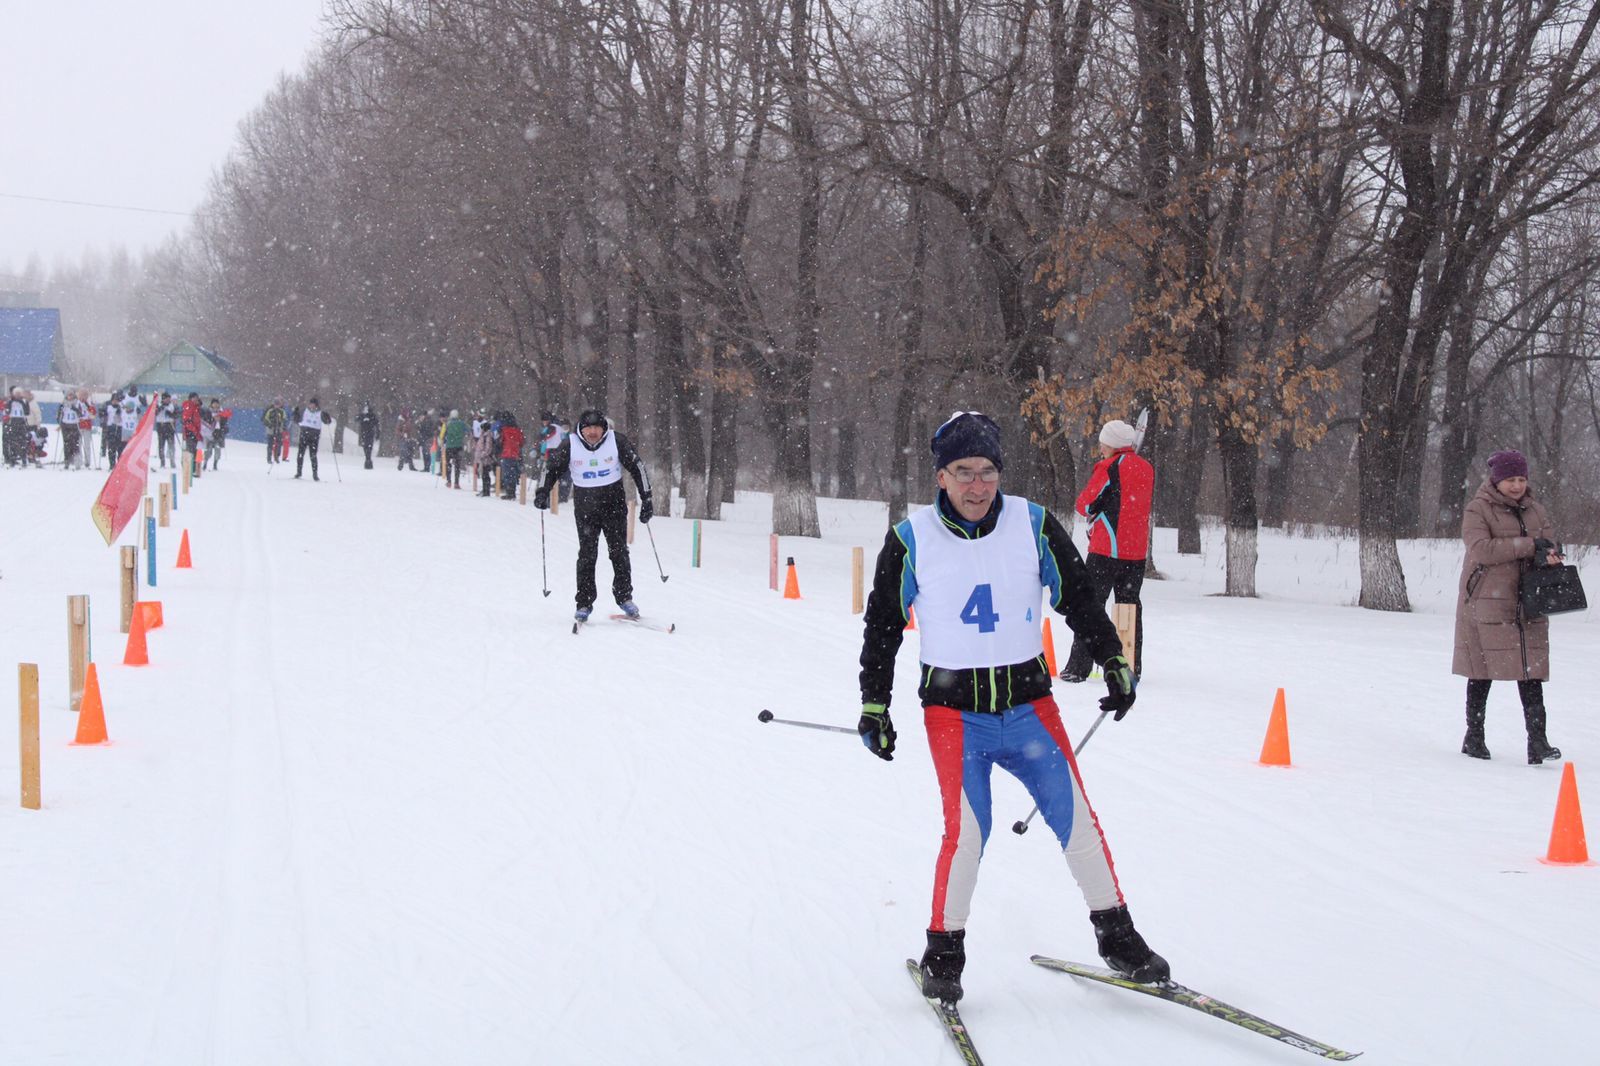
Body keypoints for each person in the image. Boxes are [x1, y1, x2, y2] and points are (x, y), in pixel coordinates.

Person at [856, 411, 1162, 1005]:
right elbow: (883, 627)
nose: (977, 486)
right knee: (968, 833)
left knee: (1078, 824)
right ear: (940, 476)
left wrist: (1113, 659)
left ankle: (1117, 938)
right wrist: (874, 704)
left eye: (988, 472)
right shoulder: (910, 538)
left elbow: (1078, 596)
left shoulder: (1034, 524)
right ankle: (944, 951)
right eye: (964, 472)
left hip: (1029, 708)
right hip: (954, 714)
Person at [1452, 449, 1564, 764]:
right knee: (1482, 669)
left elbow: (1548, 542)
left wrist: (1550, 555)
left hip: (1529, 600)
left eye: (1521, 479)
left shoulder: (1536, 510)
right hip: (1488, 600)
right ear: (1497, 480)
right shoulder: (1478, 510)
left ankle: (1538, 741)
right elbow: (1481, 549)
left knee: (1531, 670)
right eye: (1510, 479)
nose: (1516, 485)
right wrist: (1529, 546)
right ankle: (1474, 736)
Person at [535, 409, 654, 622]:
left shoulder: (616, 441)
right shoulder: (570, 444)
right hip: (586, 508)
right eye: (588, 428)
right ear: (581, 429)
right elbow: (551, 468)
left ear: (603, 428)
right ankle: (584, 603)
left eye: (596, 428)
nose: (592, 432)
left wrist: (647, 498)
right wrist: (542, 492)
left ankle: (624, 597)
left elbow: (638, 467)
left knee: (619, 552)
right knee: (587, 555)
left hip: (614, 506)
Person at [1061, 418, 1154, 683]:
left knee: (1090, 606)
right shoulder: (1147, 468)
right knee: (1129, 608)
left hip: (1105, 550)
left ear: (1112, 444)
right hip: (1135, 553)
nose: (1100, 447)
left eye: (1102, 443)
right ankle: (1129, 665)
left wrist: (1096, 507)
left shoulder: (1109, 467)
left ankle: (1079, 667)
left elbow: (1085, 504)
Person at [293, 397, 331, 480]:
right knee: (300, 454)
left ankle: (315, 474)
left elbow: (327, 422)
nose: (311, 405)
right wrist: (295, 413)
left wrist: (327, 417)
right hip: (304, 434)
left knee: (313, 455)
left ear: (316, 405)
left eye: (313, 404)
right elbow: (296, 420)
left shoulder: (320, 413)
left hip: (314, 436)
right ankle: (299, 472)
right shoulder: (304, 411)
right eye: (310, 404)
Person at [441, 409, 467, 488]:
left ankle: (449, 481)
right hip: (459, 446)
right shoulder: (462, 424)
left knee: (448, 463)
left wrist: (444, 440)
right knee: (457, 465)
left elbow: (442, 435)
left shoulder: (447, 424)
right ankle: (456, 483)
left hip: (449, 446)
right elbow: (468, 431)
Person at [153, 391, 177, 468]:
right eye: (166, 399)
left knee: (171, 445)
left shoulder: (172, 406)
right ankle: (162, 462)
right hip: (161, 426)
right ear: (163, 399)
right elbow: (154, 413)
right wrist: (160, 409)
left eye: (169, 399)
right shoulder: (158, 405)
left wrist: (171, 414)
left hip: (169, 426)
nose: (168, 400)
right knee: (161, 445)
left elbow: (176, 415)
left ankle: (172, 461)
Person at [205, 399, 229, 469]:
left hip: (219, 433)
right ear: (211, 404)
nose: (215, 405)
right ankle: (205, 462)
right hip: (210, 433)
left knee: (217, 450)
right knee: (208, 450)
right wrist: (213, 419)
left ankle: (215, 464)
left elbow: (225, 422)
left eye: (217, 403)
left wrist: (221, 419)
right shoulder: (208, 412)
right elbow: (206, 421)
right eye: (214, 403)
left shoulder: (222, 412)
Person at [263, 399, 287, 465]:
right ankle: (269, 458)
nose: (277, 406)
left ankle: (276, 457)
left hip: (279, 430)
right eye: (275, 404)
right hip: (271, 431)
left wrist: (283, 426)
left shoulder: (282, 411)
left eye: (278, 404)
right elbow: (266, 419)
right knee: (270, 445)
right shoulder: (270, 411)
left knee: (278, 444)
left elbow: (284, 419)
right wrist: (270, 424)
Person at [357, 402, 380, 469]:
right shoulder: (362, 415)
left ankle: (368, 461)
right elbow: (357, 419)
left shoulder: (372, 415)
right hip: (364, 434)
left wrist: (377, 433)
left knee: (369, 448)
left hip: (370, 434)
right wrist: (362, 419)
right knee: (365, 447)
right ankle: (368, 461)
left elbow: (376, 424)